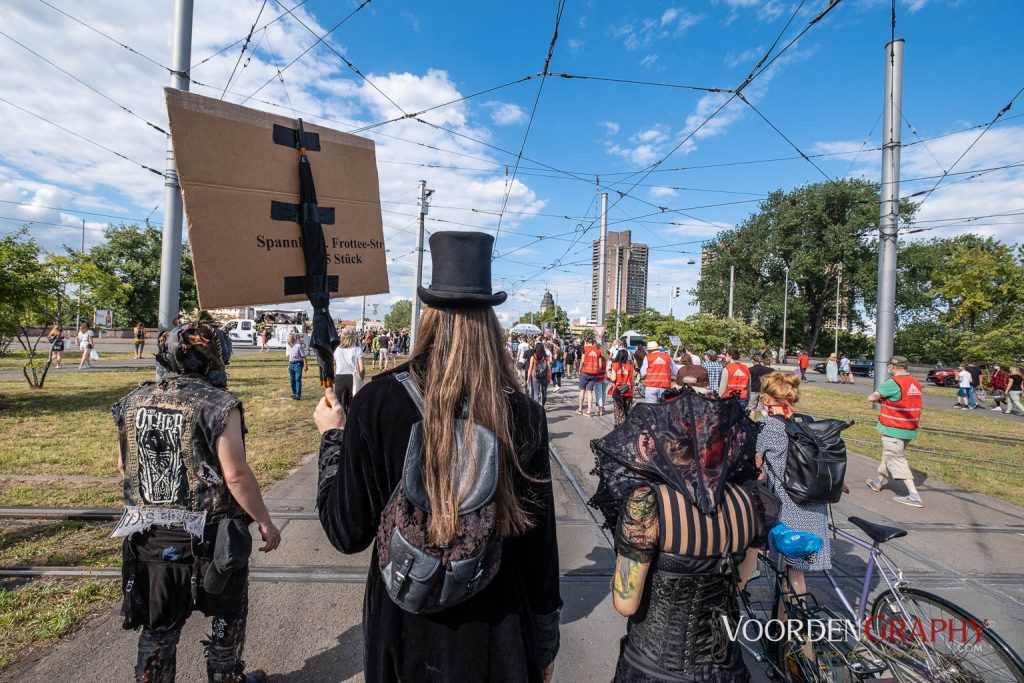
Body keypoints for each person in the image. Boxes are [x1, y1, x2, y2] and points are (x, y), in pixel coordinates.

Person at [315, 231, 561, 682]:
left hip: (402, 628)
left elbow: (346, 531)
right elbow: (538, 550)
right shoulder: (522, 414)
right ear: (491, 321)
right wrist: (544, 640)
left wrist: (333, 438)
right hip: (496, 634)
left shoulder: (377, 402)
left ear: (429, 316)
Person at [113, 323, 280, 683]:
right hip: (212, 536)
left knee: (158, 626)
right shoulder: (221, 405)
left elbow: (124, 466)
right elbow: (235, 475)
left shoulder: (132, 401)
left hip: (150, 537)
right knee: (227, 614)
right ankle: (225, 677)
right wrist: (265, 522)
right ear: (214, 359)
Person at [610, 411, 765, 681]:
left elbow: (626, 603)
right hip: (724, 668)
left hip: (654, 667)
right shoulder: (749, 500)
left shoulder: (648, 503)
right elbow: (739, 584)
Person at [757, 372, 833, 633]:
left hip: (788, 507)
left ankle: (793, 633)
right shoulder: (808, 424)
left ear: (767, 399)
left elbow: (756, 467)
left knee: (794, 574)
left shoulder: (768, 428)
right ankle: (784, 628)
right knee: (795, 572)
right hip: (814, 504)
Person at [866, 356, 925, 507]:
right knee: (890, 454)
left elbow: (871, 397)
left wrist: (881, 400)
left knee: (896, 459)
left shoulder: (893, 383)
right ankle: (877, 481)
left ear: (892, 367)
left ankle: (913, 495)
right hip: (908, 428)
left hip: (894, 428)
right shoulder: (915, 383)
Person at [333, 326, 365, 414]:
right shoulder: (357, 350)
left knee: (340, 405)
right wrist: (361, 379)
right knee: (353, 405)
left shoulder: (337, 350)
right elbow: (361, 369)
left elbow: (335, 365)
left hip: (339, 378)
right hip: (352, 378)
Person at [608, 346, 635, 425]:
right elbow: (632, 380)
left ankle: (618, 426)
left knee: (618, 410)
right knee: (626, 410)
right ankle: (625, 426)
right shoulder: (630, 366)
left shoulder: (615, 365)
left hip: (618, 391)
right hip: (628, 391)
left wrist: (609, 373)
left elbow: (613, 379)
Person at [577, 339, 602, 416]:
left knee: (582, 390)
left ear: (587, 342)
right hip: (594, 373)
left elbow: (582, 361)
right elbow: (600, 365)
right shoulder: (598, 351)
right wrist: (597, 372)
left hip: (584, 372)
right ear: (593, 343)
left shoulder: (585, 349)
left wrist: (579, 370)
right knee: (590, 392)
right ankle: (588, 411)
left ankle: (580, 409)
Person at [529, 341, 552, 408]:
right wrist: (549, 377)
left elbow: (530, 368)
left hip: (535, 376)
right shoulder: (546, 357)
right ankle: (542, 406)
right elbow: (549, 368)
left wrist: (528, 377)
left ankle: (537, 408)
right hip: (545, 376)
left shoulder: (533, 357)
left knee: (536, 393)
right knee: (544, 392)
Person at [286, 333, 308, 400]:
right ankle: (294, 393)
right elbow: (290, 356)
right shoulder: (289, 346)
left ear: (292, 339)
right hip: (291, 364)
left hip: (298, 364)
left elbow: (304, 356)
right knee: (292, 380)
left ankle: (298, 395)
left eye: (288, 340)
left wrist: (305, 365)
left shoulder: (298, 346)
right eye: (287, 340)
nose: (287, 341)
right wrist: (288, 364)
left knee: (297, 379)